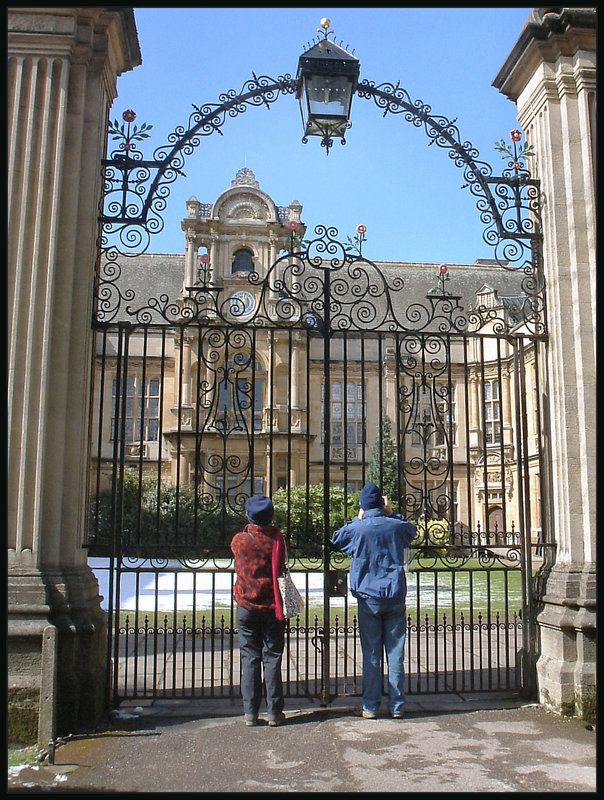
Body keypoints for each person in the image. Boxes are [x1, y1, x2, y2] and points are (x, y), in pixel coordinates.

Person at [331, 481, 416, 719]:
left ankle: (370, 706)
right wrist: (392, 513)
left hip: (369, 598)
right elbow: (412, 531)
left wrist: (359, 519)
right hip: (394, 594)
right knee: (396, 653)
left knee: (371, 654)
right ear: (382, 503)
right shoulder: (395, 526)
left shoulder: (358, 529)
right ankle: (397, 706)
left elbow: (336, 539)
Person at [231, 495, 287, 727]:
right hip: (272, 605)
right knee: (272, 657)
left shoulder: (240, 540)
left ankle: (250, 712)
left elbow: (235, 550)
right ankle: (274, 712)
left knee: (250, 657)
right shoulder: (277, 540)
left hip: (246, 606)